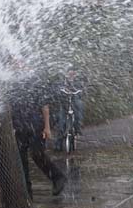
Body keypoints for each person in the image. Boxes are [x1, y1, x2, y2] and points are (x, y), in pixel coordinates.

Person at [9, 65, 67, 199]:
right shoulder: (11, 83)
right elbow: (10, 108)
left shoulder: (34, 81)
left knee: (37, 153)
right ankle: (26, 192)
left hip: (36, 125)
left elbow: (44, 106)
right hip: (19, 126)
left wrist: (47, 127)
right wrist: (12, 126)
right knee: (21, 158)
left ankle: (58, 177)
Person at [54, 66, 86, 151]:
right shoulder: (63, 81)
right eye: (70, 72)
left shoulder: (78, 82)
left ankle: (78, 126)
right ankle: (58, 144)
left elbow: (82, 90)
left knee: (79, 106)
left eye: (73, 73)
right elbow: (57, 89)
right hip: (64, 103)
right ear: (67, 73)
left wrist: (79, 91)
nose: (72, 74)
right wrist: (61, 91)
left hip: (74, 102)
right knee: (61, 122)